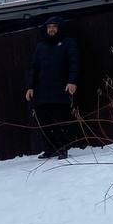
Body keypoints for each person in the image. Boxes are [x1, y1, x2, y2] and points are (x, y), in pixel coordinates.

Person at [25, 15, 80, 160]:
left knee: (60, 121)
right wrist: (30, 87)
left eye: (54, 27)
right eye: (49, 27)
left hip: (61, 89)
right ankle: (50, 150)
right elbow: (34, 68)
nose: (51, 29)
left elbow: (74, 63)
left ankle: (62, 149)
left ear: (59, 28)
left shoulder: (68, 43)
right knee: (44, 123)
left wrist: (72, 81)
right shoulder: (40, 46)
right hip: (42, 91)